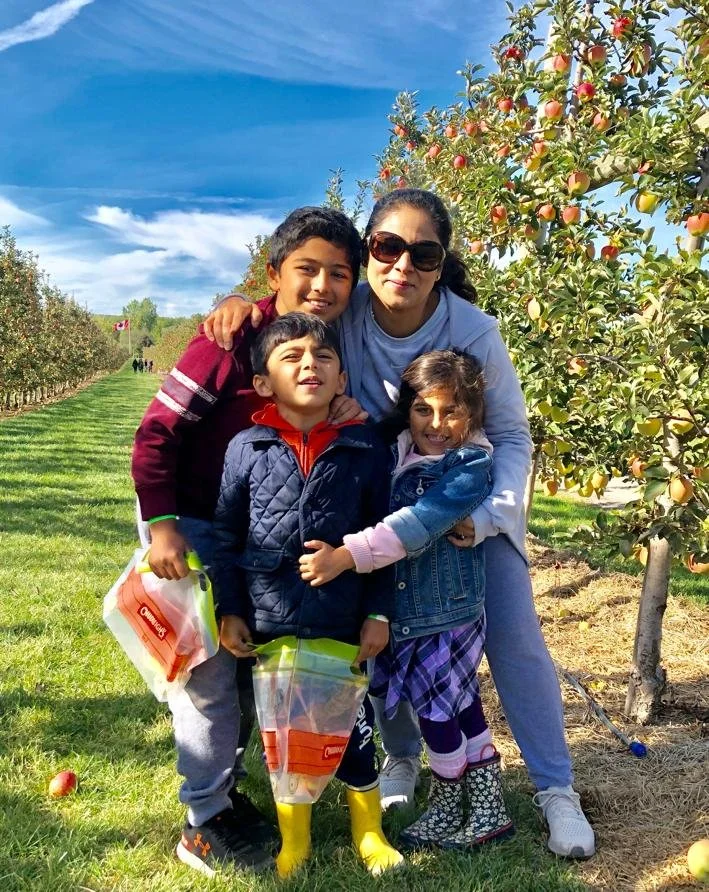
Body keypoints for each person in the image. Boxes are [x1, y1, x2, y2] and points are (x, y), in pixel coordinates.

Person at [204, 188, 596, 860]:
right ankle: (403, 761)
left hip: (465, 511)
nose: (401, 265)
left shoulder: (471, 331)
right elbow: (293, 309)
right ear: (368, 253)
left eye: (422, 252)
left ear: (439, 265)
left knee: (514, 640)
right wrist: (243, 308)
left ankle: (554, 788)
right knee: (384, 638)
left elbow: (509, 434)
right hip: (382, 508)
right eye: (386, 247)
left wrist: (490, 516)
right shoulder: (348, 312)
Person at [130, 206, 366, 877]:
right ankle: (201, 819)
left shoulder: (329, 343)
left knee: (244, 656)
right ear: (273, 273)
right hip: (193, 519)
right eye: (307, 269)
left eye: (338, 274)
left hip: (254, 529)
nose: (322, 284)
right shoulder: (227, 342)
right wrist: (164, 526)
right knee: (206, 672)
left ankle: (225, 793)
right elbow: (154, 438)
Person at [299, 348, 515, 849]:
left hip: (447, 615)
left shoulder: (469, 467)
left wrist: (346, 556)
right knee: (460, 707)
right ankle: (487, 805)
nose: (436, 424)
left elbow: (414, 527)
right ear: (407, 409)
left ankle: (448, 801)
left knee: (438, 715)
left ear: (474, 413)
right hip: (410, 614)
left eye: (452, 411)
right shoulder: (393, 449)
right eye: (424, 409)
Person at [212, 312, 403, 879]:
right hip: (272, 621)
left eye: (322, 358)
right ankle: (295, 841)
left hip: (342, 619)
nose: (309, 366)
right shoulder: (246, 448)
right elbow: (226, 535)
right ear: (265, 383)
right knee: (285, 738)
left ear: (342, 379)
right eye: (291, 357)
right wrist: (230, 608)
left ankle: (368, 831)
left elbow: (384, 533)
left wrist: (377, 610)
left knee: (354, 731)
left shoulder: (365, 449)